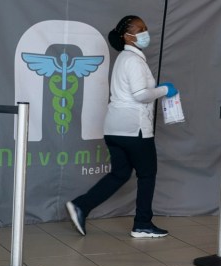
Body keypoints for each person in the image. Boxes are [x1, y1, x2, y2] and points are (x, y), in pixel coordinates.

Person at [66, 15, 177, 238]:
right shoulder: (134, 61)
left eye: (145, 28)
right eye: (140, 29)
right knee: (147, 174)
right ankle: (142, 224)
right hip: (134, 128)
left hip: (114, 129)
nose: (145, 32)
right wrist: (165, 90)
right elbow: (141, 95)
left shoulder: (124, 59)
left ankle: (81, 206)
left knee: (120, 173)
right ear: (127, 36)